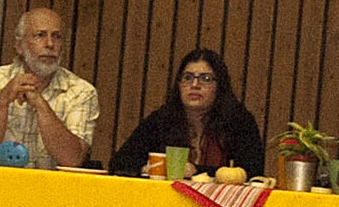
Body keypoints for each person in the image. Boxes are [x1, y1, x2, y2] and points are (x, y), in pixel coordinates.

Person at [0, 8, 99, 169]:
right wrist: (2, 101)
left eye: (56, 37)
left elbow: (72, 159)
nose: (50, 44)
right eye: (40, 35)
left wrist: (41, 106)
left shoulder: (81, 91)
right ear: (19, 46)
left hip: (52, 189)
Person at [109, 49, 265, 179]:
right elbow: (118, 164)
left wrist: (195, 171)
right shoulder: (162, 119)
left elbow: (254, 173)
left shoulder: (239, 122)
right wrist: (146, 169)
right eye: (188, 78)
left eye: (206, 79)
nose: (195, 85)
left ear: (220, 86)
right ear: (179, 85)